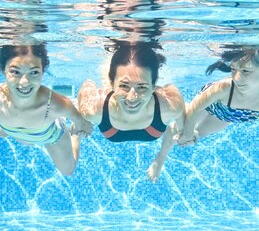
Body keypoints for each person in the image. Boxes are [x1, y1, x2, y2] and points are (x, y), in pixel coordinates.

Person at [147, 43, 259, 182]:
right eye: (233, 69)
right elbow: (195, 107)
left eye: (245, 71)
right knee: (178, 130)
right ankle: (160, 158)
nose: (236, 77)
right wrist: (186, 131)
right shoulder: (224, 87)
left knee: (193, 136)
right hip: (211, 103)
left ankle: (182, 137)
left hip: (229, 116)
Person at [0, 44, 93, 176]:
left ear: (43, 71)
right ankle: (59, 89)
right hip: (27, 135)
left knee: (68, 171)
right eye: (15, 72)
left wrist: (79, 129)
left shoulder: (55, 105)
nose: (24, 82)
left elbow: (83, 123)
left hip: (52, 137)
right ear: (3, 69)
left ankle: (73, 134)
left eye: (34, 72)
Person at [77, 40, 185, 175]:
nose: (132, 98)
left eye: (142, 87)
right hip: (115, 86)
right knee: (111, 72)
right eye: (124, 86)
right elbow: (88, 84)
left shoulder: (170, 107)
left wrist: (182, 130)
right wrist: (80, 119)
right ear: (112, 84)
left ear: (154, 86)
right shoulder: (94, 110)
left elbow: (171, 89)